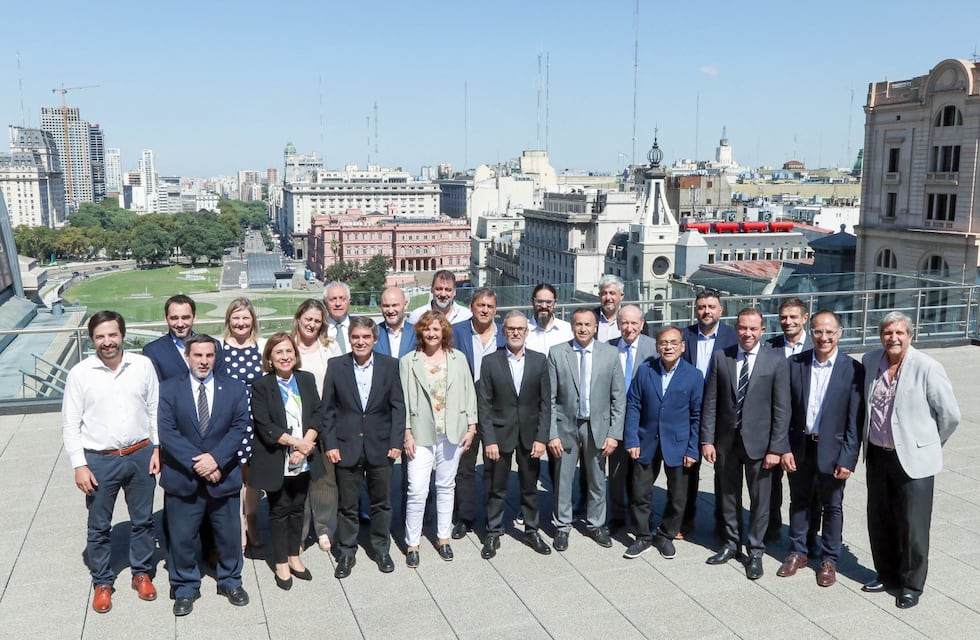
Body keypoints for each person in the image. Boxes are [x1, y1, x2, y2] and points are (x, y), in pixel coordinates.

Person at [61, 310, 160, 614]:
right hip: (100, 460)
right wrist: (79, 464)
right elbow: (70, 424)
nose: (107, 342)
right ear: (93, 339)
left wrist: (159, 448)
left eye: (112, 335)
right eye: (101, 336)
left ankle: (141, 573)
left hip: (141, 453)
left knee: (143, 520)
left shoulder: (142, 365)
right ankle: (103, 581)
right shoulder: (80, 373)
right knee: (99, 525)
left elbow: (155, 408)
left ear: (122, 335)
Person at [860, 311, 960, 609]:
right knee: (879, 518)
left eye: (899, 333)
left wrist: (927, 444)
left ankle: (912, 584)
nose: (893, 338)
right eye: (888, 333)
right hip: (878, 453)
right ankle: (886, 574)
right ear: (881, 336)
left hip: (914, 459)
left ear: (910, 336)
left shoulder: (927, 367)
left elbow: (950, 416)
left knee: (913, 525)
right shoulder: (870, 361)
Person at [157, 334, 251, 616]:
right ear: (187, 357)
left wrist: (216, 460)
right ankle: (185, 586)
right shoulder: (169, 389)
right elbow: (167, 432)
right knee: (183, 537)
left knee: (228, 536)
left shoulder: (234, 388)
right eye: (198, 355)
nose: (203, 361)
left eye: (209, 355)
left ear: (216, 357)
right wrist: (198, 463)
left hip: (222, 475)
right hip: (183, 476)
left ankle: (230, 581)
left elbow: (239, 427)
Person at [701, 307, 790, 580]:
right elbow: (711, 403)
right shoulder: (721, 357)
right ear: (736, 328)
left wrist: (777, 447)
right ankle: (730, 543)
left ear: (762, 330)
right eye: (742, 327)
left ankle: (755, 550)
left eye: (753, 328)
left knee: (760, 499)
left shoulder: (775, 361)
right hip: (726, 441)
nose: (747, 333)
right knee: (728, 494)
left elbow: (782, 409)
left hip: (761, 445)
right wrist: (707, 440)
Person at [777, 310, 863, 588]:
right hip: (800, 447)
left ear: (839, 333)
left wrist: (848, 457)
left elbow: (854, 419)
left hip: (834, 451)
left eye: (829, 332)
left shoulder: (852, 369)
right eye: (818, 331)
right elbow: (785, 411)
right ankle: (798, 552)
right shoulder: (795, 363)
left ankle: (829, 559)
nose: (824, 337)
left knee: (832, 506)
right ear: (810, 332)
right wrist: (785, 448)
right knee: (799, 501)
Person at [321, 317, 406, 578]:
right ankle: (346, 552)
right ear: (351, 338)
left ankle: (381, 549)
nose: (360, 342)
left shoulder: (390, 366)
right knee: (347, 505)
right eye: (356, 337)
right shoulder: (336, 366)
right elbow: (328, 410)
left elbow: (398, 407)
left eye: (366, 337)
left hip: (380, 445)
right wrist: (331, 444)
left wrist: (396, 441)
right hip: (346, 446)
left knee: (381, 503)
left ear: (374, 339)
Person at [400, 310, 478, 567]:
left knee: (446, 487)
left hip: (451, 432)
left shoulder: (458, 358)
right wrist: (407, 432)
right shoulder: (408, 361)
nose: (432, 333)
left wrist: (471, 426)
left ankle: (443, 538)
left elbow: (469, 393)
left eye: (436, 329)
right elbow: (404, 400)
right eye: (427, 329)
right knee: (417, 489)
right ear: (420, 333)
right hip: (421, 434)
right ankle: (413, 542)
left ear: (444, 331)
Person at [249, 333, 323, 590]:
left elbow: (317, 413)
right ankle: (280, 560)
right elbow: (264, 424)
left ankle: (294, 555)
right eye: (278, 352)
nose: (284, 356)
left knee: (298, 507)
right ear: (270, 357)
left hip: (304, 456)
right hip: (277, 457)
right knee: (279, 510)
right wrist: (295, 443)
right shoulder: (261, 385)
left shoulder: (306, 379)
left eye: (288, 351)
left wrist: (305, 446)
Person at [547, 308, 626, 551]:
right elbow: (549, 398)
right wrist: (552, 434)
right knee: (563, 478)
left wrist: (614, 434)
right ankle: (562, 526)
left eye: (588, 325)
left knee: (596, 478)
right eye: (578, 324)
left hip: (598, 427)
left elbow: (618, 397)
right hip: (566, 426)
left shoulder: (610, 354)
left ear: (595, 328)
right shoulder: (557, 353)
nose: (583, 329)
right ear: (572, 326)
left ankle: (595, 524)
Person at [477, 311, 552, 558]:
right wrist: (488, 439)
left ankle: (531, 530)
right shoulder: (490, 362)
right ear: (503, 331)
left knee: (529, 486)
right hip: (499, 436)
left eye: (520, 329)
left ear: (527, 332)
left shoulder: (540, 361)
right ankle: (493, 532)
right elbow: (484, 405)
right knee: (496, 487)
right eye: (511, 329)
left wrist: (542, 438)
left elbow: (545, 404)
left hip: (530, 437)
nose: (516, 332)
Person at [623, 325, 702, 560]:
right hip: (646, 440)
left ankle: (666, 535)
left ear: (682, 346)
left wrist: (692, 448)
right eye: (663, 343)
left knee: (678, 496)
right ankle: (643, 536)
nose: (668, 347)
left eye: (673, 343)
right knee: (640, 492)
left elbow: (697, 415)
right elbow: (634, 405)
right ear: (657, 346)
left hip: (678, 443)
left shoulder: (694, 375)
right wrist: (631, 438)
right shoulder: (646, 370)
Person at [679, 288, 738, 538]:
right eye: (702, 306)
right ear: (696, 309)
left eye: (711, 307)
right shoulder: (684, 335)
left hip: (721, 413)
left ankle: (722, 523)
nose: (706, 311)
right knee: (687, 470)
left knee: (723, 472)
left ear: (720, 310)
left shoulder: (733, 337)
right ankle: (686, 519)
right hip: (689, 413)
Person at [450, 287, 505, 539]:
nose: (485, 310)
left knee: (494, 466)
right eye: (480, 305)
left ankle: (493, 517)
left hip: (496, 410)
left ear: (495, 310)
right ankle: (465, 516)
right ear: (471, 306)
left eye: (490, 307)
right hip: (465, 410)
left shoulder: (505, 334)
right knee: (465, 466)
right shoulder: (456, 331)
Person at [291, 298, 343, 553]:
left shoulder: (329, 348)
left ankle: (324, 528)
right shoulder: (287, 347)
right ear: (298, 318)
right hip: (295, 426)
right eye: (308, 319)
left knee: (324, 480)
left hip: (324, 423)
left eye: (317, 320)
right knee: (297, 480)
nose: (311, 324)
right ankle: (299, 532)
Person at [765, 298, 814, 542]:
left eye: (794, 317)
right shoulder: (770, 346)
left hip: (803, 430)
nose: (788, 322)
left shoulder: (817, 346)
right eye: (784, 317)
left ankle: (808, 535)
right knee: (771, 484)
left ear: (805, 318)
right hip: (774, 427)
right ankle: (772, 526)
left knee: (803, 488)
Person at [605, 305, 657, 532]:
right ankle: (617, 515)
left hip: (644, 422)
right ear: (618, 325)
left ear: (642, 324)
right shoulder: (608, 348)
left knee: (642, 475)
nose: (629, 327)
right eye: (624, 323)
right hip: (616, 420)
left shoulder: (654, 349)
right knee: (616, 472)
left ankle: (641, 517)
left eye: (634, 323)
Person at [219, 297, 265, 549]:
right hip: (230, 422)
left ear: (252, 321)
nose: (240, 322)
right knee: (233, 478)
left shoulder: (261, 346)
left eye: (245, 317)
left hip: (256, 420)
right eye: (236, 317)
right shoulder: (219, 348)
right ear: (228, 320)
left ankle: (252, 522)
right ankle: (237, 527)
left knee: (252, 479)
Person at [143, 294, 199, 381]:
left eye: (185, 318)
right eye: (174, 318)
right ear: (166, 319)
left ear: (194, 317)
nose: (180, 324)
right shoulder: (153, 351)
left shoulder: (212, 346)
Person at [406, 270, 472, 325]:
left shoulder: (466, 316)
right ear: (431, 289)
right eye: (439, 289)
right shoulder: (417, 316)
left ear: (454, 292)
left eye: (448, 290)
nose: (443, 294)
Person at [525, 283, 572, 356]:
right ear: (533, 302)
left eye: (548, 302)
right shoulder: (523, 330)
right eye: (539, 302)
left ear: (555, 304)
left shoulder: (567, 330)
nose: (544, 306)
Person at [374, 286, 417, 358]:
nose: (391, 311)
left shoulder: (416, 333)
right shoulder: (373, 333)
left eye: (395, 305)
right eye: (386, 306)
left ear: (405, 305)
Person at [324, 281, 355, 353]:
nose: (338, 304)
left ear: (349, 301)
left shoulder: (360, 326)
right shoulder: (319, 330)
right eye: (333, 299)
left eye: (342, 299)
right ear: (325, 303)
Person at [595, 274, 626, 342]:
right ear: (599, 296)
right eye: (604, 293)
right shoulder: (591, 317)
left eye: (612, 293)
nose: (608, 298)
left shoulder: (632, 318)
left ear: (621, 296)